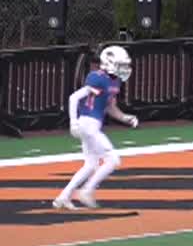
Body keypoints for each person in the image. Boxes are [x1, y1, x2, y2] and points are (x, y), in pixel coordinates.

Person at [53, 45, 139, 209]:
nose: (124, 69)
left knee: (90, 165)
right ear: (110, 63)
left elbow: (110, 107)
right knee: (113, 160)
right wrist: (73, 122)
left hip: (93, 125)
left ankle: (63, 197)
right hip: (88, 123)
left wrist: (125, 118)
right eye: (121, 65)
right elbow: (74, 98)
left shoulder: (115, 81)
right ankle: (86, 191)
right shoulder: (97, 77)